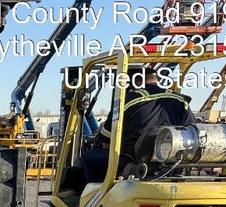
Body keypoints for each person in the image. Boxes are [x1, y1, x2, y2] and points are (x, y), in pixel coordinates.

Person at [63, 66, 195, 195]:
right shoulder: (181, 101)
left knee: (87, 158)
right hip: (169, 160)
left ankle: (93, 198)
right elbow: (191, 131)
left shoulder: (130, 100)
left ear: (137, 81)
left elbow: (105, 136)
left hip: (131, 158)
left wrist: (103, 131)